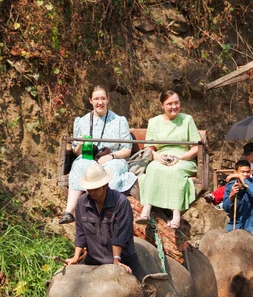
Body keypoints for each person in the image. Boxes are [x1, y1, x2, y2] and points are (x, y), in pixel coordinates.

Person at [59, 85, 137, 225]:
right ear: (90, 100)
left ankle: (108, 212)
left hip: (113, 158)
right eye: (96, 99)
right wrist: (82, 144)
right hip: (90, 158)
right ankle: (69, 211)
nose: (99, 102)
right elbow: (76, 152)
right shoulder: (82, 121)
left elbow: (127, 149)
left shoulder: (119, 121)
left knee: (112, 170)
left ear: (108, 99)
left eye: (102, 98)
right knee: (79, 165)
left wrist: (111, 156)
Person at [64, 163, 143, 279]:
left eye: (95, 189)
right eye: (89, 189)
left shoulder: (121, 202)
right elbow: (80, 232)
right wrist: (76, 257)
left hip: (122, 258)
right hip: (94, 260)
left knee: (142, 291)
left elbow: (120, 235)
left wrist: (116, 260)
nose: (92, 192)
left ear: (105, 185)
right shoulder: (81, 202)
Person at [137, 90, 201, 229]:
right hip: (162, 157)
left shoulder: (187, 120)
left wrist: (180, 158)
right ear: (162, 106)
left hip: (183, 158)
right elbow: (150, 148)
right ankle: (146, 209)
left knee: (175, 170)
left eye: (176, 103)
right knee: (153, 168)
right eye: (169, 104)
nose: (174, 107)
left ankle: (176, 214)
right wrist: (158, 157)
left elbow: (196, 148)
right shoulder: (154, 122)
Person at [204, 142, 253, 207]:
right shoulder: (244, 164)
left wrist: (243, 176)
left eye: (249, 154)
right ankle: (216, 197)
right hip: (240, 182)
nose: (247, 156)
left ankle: (219, 200)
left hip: (251, 183)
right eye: (246, 155)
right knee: (228, 186)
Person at [222, 159, 253, 242]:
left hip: (252, 225)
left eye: (248, 172)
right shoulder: (230, 186)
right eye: (242, 172)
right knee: (222, 245)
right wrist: (231, 195)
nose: (245, 174)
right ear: (235, 172)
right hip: (235, 224)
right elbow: (225, 207)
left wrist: (241, 178)